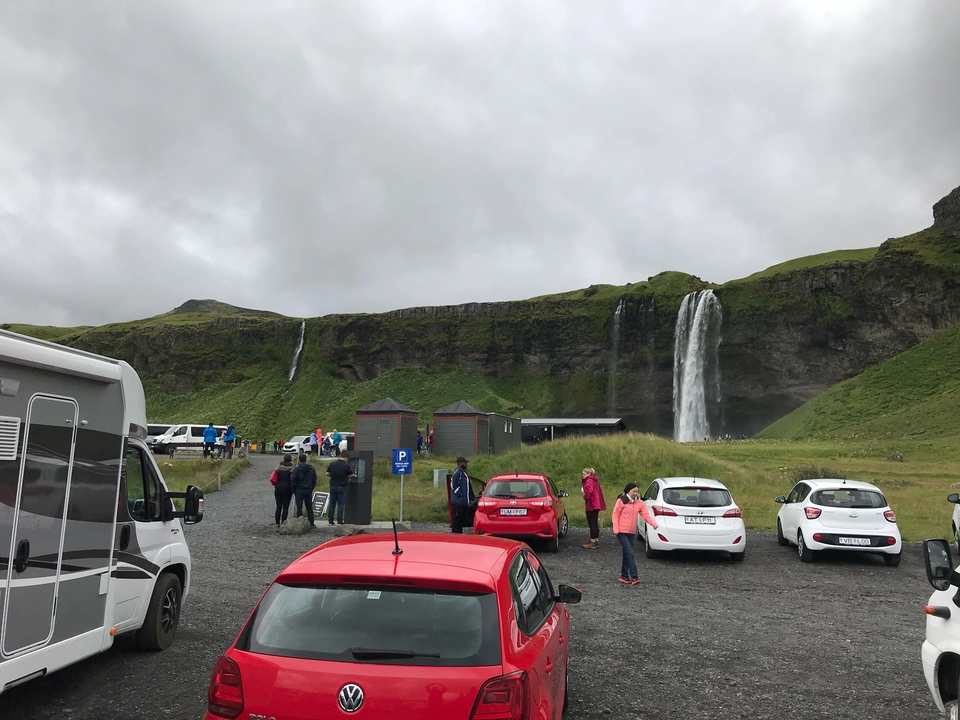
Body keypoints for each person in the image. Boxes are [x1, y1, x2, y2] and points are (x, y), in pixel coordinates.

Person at [612, 482, 658, 584]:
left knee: (626, 554)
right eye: (634, 491)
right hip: (621, 531)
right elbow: (615, 514)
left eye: (637, 491)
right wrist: (616, 529)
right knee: (630, 553)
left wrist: (654, 524)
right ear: (628, 491)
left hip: (631, 532)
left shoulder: (639, 503)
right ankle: (634, 577)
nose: (635, 493)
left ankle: (624, 576)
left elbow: (645, 515)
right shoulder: (621, 501)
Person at [325, 453, 355, 525]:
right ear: (346, 458)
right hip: (342, 486)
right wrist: (352, 476)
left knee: (332, 504)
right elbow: (350, 475)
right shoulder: (346, 465)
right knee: (340, 504)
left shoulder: (332, 464)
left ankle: (330, 520)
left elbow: (327, 473)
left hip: (333, 486)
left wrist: (333, 475)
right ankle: (339, 521)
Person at [581, 467, 606, 548]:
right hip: (597, 504)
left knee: (591, 523)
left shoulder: (589, 481)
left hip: (592, 504)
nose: (583, 476)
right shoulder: (595, 481)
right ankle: (595, 540)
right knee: (595, 522)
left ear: (588, 474)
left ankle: (592, 542)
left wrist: (585, 497)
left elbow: (589, 491)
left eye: (584, 474)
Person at [450, 456, 476, 534]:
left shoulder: (463, 472)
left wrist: (471, 498)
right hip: (458, 502)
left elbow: (468, 487)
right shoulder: (458, 472)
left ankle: (459, 535)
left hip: (463, 502)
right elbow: (453, 485)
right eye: (465, 463)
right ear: (460, 463)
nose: (466, 464)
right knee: (457, 520)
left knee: (461, 520)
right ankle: (455, 536)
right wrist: (461, 495)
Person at [291, 453, 318, 526]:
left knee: (299, 506)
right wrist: (311, 487)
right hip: (308, 489)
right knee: (309, 507)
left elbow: (293, 480)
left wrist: (294, 489)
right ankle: (311, 522)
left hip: (299, 489)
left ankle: (300, 523)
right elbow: (314, 479)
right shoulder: (311, 468)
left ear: (299, 460)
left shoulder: (297, 469)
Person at [270, 453, 295, 529]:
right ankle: (283, 522)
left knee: (278, 506)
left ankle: (277, 523)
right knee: (286, 507)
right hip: (288, 489)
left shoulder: (278, 468)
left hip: (278, 488)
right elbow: (293, 480)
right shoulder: (292, 469)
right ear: (290, 459)